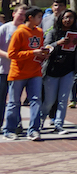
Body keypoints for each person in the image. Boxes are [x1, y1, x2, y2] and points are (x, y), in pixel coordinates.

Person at [4, 7, 48, 140]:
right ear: (31, 18)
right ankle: (9, 130)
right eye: (39, 17)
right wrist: (32, 53)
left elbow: (38, 49)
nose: (41, 20)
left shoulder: (39, 32)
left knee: (36, 100)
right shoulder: (19, 32)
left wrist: (43, 54)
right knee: (14, 102)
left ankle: (34, 130)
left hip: (35, 71)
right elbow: (12, 54)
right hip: (18, 73)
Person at [41, 8, 77, 133]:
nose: (68, 20)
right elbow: (46, 47)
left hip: (68, 70)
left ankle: (59, 125)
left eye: (70, 17)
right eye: (65, 17)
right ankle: (39, 121)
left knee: (63, 100)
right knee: (49, 100)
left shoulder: (76, 34)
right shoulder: (53, 32)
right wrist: (58, 43)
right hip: (52, 69)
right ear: (61, 19)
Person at [0, 4, 27, 131]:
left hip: (19, 71)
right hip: (3, 69)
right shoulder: (5, 28)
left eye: (25, 15)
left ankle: (16, 123)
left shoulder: (27, 30)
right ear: (14, 14)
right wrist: (9, 56)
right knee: (1, 98)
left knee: (15, 99)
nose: (22, 17)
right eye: (20, 14)